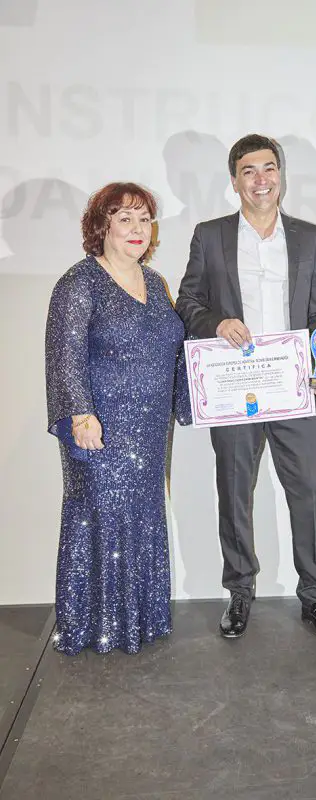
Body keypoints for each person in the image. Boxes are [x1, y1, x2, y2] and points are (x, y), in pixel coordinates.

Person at [176, 134, 316, 642]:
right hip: (234, 388)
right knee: (234, 493)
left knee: (309, 495)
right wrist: (216, 323)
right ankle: (239, 592)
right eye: (248, 171)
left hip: (293, 387)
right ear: (234, 181)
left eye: (269, 168)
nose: (260, 179)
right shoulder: (210, 236)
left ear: (281, 175)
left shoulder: (309, 237)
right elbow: (187, 302)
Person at [45, 182, 190, 655]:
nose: (137, 228)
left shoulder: (155, 282)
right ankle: (95, 625)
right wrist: (80, 414)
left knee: (142, 516)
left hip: (149, 429)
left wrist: (205, 392)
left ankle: (139, 620)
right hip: (99, 429)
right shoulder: (80, 282)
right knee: (101, 518)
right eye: (124, 218)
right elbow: (64, 354)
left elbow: (173, 348)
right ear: (101, 225)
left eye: (144, 219)